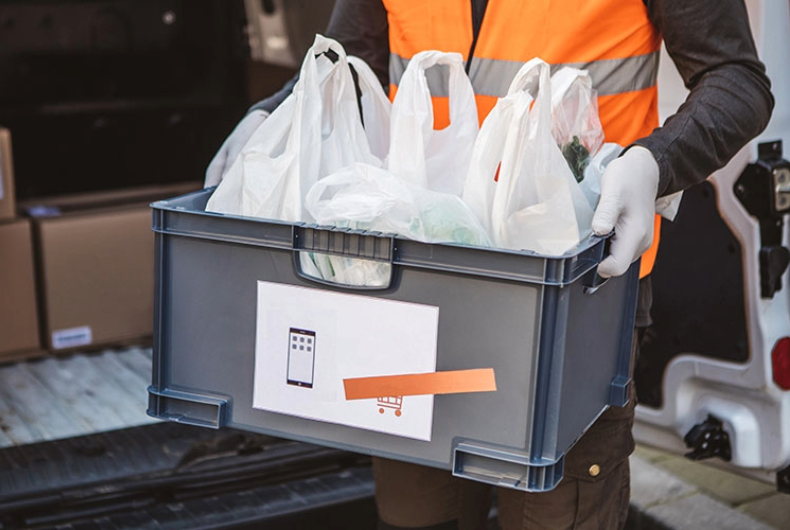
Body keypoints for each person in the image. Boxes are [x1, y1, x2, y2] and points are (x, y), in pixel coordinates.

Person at [206, 1, 774, 528]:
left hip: (573, 304)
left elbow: (737, 81)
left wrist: (656, 161)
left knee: (557, 511)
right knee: (416, 513)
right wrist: (272, 115)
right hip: (412, 298)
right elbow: (353, 61)